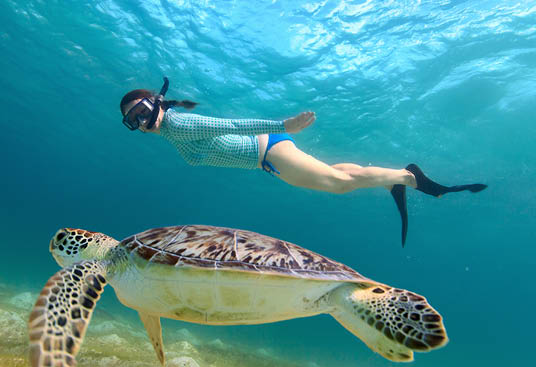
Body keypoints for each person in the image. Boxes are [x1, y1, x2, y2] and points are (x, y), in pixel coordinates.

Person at [120, 77, 487, 246]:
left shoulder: (178, 122)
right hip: (267, 155)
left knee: (338, 185)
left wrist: (285, 124)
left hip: (267, 151)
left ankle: (408, 178)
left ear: (153, 102)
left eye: (139, 111)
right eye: (131, 121)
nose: (140, 122)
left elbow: (230, 125)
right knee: (339, 176)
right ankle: (396, 178)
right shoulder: (170, 129)